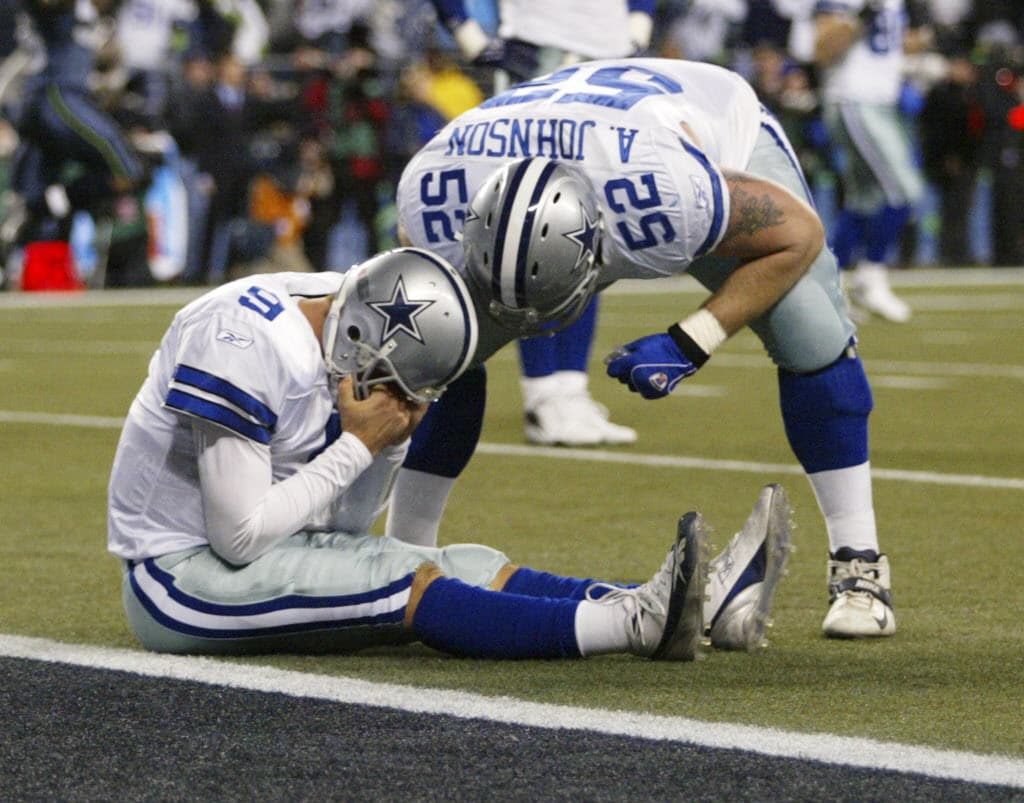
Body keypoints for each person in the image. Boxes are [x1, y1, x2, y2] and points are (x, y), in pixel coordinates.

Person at [394, 57, 895, 639]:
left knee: (810, 329)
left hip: (698, 126)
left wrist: (692, 340)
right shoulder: (434, 195)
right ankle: (404, 555)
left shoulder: (665, 197)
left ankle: (860, 566)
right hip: (556, 139)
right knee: (435, 346)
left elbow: (798, 233)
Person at [107, 246, 791, 657]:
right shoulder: (241, 337)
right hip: (177, 578)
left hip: (250, 551)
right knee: (408, 580)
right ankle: (635, 622)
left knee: (461, 562)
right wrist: (358, 444)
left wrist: (379, 449)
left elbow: (340, 529)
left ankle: (679, 606)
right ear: (357, 341)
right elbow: (238, 536)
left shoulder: (351, 311)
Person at [429, 0, 655, 447]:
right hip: (539, 53)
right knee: (535, 226)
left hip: (609, 58)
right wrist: (467, 34)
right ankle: (542, 392)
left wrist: (638, 26)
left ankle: (570, 389)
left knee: (592, 226)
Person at [2, 0, 146, 279]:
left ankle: (30, 216)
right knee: (128, 168)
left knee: (36, 195)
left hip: (47, 102)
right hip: (56, 96)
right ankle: (34, 210)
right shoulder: (65, 9)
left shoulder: (95, 17)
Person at [813, 0, 932, 322]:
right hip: (855, 100)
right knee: (904, 191)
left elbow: (892, 44)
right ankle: (871, 274)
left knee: (864, 200)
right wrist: (859, 16)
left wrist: (923, 39)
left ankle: (828, 285)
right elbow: (821, 49)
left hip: (881, 102)